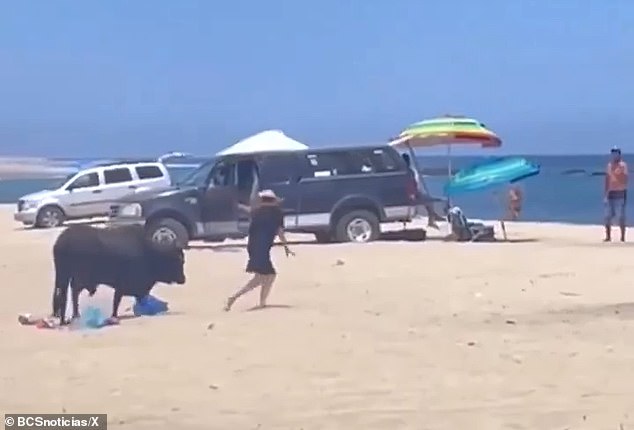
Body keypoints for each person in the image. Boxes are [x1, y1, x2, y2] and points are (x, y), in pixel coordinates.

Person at [224, 189, 294, 311]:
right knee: (265, 276)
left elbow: (248, 211)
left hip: (253, 246)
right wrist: (286, 246)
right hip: (262, 247)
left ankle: (260, 302)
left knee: (266, 276)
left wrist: (237, 205)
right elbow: (280, 231)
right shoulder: (277, 213)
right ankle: (234, 298)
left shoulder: (257, 212)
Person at [401, 153, 442, 229]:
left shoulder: (408, 171)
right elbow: (410, 184)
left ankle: (433, 217)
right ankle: (432, 218)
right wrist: (412, 194)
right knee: (429, 201)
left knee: (428, 200)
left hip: (414, 192)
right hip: (411, 194)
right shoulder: (408, 172)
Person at [604, 146, 628, 242]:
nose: (614, 155)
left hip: (620, 193)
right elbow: (607, 179)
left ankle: (622, 237)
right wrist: (605, 194)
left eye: (616, 153)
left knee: (620, 216)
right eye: (613, 153)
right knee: (607, 216)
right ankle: (608, 236)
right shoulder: (609, 165)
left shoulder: (623, 165)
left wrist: (619, 173)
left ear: (619, 154)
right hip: (610, 193)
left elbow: (625, 178)